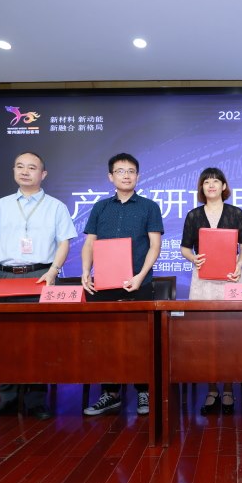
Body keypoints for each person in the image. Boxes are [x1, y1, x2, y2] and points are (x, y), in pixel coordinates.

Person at [0, 151, 77, 420]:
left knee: (39, 339)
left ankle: (36, 400)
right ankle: (8, 398)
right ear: (13, 171)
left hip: (40, 275)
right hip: (5, 277)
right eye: (20, 166)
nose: (25, 171)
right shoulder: (2, 205)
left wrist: (54, 271)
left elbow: (64, 242)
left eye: (32, 168)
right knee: (6, 339)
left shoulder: (55, 206)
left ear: (43, 174)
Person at [80, 152, 164, 417]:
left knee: (140, 341)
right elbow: (90, 243)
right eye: (120, 171)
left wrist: (140, 276)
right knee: (105, 341)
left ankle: (143, 391)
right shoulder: (100, 207)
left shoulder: (149, 207)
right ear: (110, 177)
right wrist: (85, 271)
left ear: (138, 176)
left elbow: (155, 245)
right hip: (103, 284)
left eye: (131, 171)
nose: (126, 175)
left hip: (138, 283)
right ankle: (110, 393)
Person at [180, 167, 242, 415]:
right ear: (201, 187)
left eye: (215, 181)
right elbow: (185, 248)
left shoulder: (236, 213)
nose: (211, 185)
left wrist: (239, 264)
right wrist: (193, 258)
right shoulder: (193, 215)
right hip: (203, 281)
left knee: (231, 334)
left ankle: (228, 389)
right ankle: (212, 390)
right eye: (206, 182)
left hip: (232, 277)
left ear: (224, 186)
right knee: (206, 335)